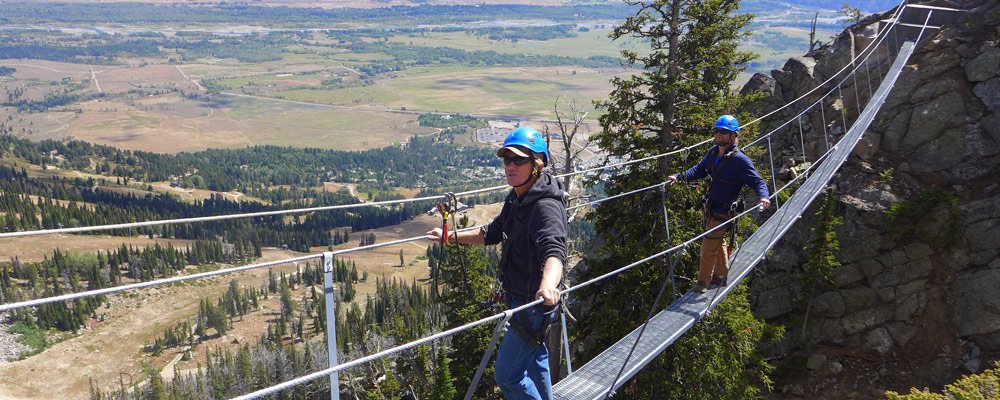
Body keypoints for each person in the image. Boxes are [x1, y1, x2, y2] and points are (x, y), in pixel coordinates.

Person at [427, 126, 567, 400]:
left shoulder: (545, 207)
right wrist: (450, 236)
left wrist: (548, 285)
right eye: (507, 160)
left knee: (508, 377)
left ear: (537, 164)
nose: (510, 166)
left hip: (533, 305)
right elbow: (491, 233)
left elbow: (554, 251)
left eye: (519, 160)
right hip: (524, 302)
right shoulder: (518, 197)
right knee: (536, 358)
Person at [666, 115, 771, 293]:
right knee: (717, 240)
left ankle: (703, 283)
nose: (718, 134)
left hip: (725, 211)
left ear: (733, 135)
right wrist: (679, 176)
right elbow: (699, 170)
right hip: (712, 208)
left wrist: (764, 196)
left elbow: (757, 180)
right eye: (716, 131)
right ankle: (721, 276)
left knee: (707, 247)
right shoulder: (714, 152)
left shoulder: (739, 160)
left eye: (723, 132)